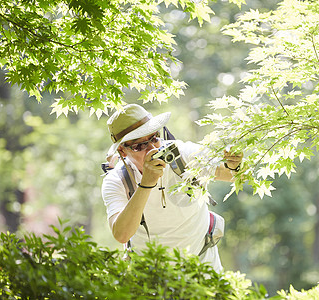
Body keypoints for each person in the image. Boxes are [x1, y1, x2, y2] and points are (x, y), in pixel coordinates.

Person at [101, 104, 242, 272]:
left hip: (202, 264)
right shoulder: (117, 181)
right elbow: (121, 234)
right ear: (123, 152)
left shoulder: (184, 154)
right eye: (140, 146)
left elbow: (230, 174)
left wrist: (234, 164)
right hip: (150, 276)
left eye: (154, 138)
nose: (152, 149)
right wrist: (146, 183)